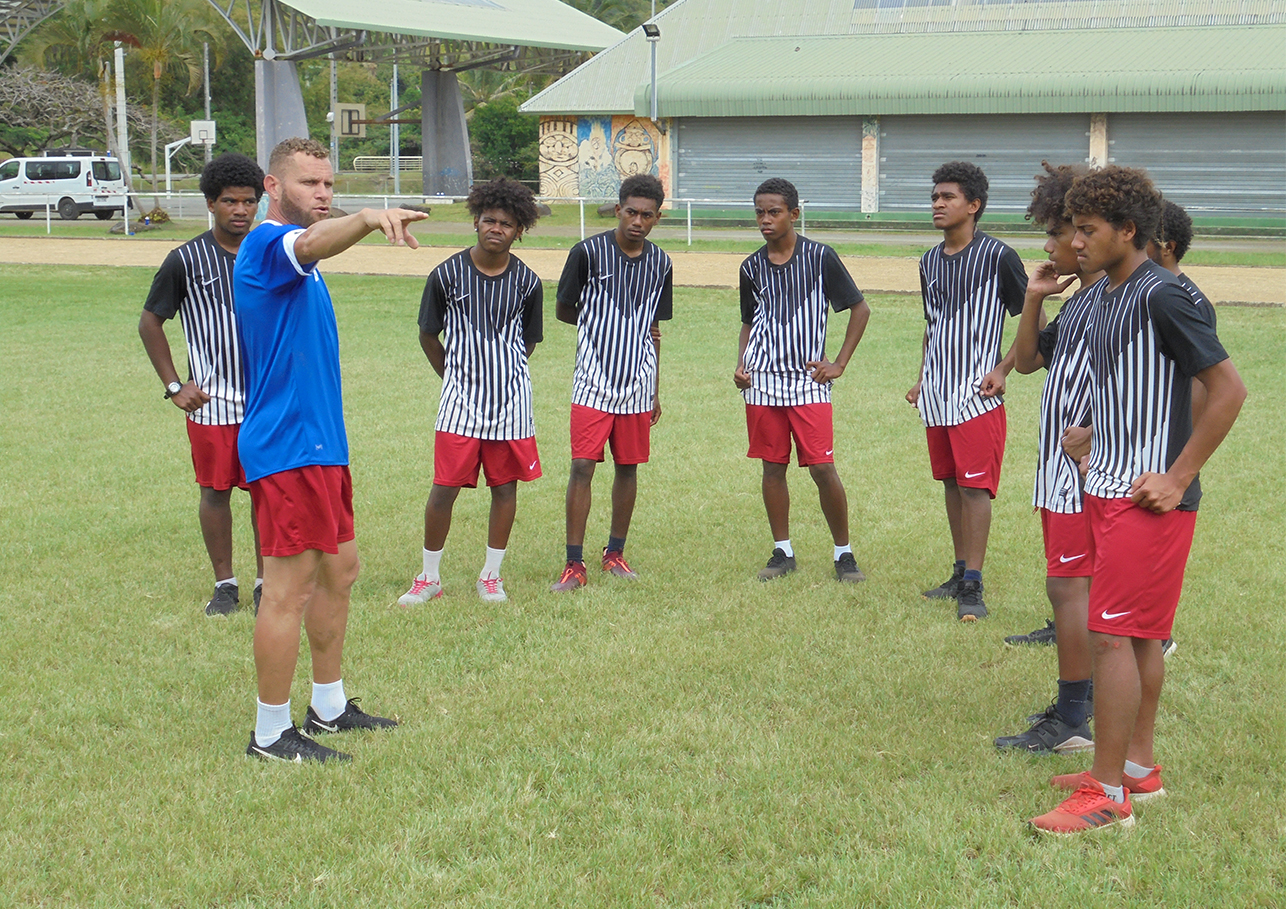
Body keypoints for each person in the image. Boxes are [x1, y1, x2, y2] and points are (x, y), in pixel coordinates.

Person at [1030, 166, 1245, 834]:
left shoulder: (1164, 295)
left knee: (1112, 634)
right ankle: (1136, 770)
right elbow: (1129, 382)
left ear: (1129, 230)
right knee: (1139, 632)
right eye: (1074, 228)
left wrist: (1178, 476)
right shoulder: (1099, 299)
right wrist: (1095, 433)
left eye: (1089, 229)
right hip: (1105, 483)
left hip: (1148, 500)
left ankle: (1106, 794)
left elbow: (1227, 388)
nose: (1077, 240)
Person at [235, 136, 423, 763]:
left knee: (340, 572)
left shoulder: (303, 268)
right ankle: (269, 733)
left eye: (329, 184)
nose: (321, 193)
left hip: (322, 449)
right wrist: (367, 219)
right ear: (273, 186)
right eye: (308, 184)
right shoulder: (268, 246)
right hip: (287, 451)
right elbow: (309, 244)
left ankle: (330, 706)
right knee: (285, 589)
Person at [994, 162, 1102, 754]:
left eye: (1059, 233)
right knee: (1073, 589)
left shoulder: (1118, 299)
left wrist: (1094, 439)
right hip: (1063, 472)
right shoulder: (1082, 302)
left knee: (1069, 589)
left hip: (1084, 473)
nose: (1052, 244)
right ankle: (1079, 708)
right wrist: (1034, 298)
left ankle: (1073, 719)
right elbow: (1031, 361)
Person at [398, 178, 543, 606]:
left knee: (505, 487)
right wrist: (455, 376)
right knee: (444, 487)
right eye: (489, 220)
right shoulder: (446, 275)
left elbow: (528, 341)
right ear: (476, 222)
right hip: (459, 404)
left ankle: (491, 576)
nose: (496, 229)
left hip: (512, 404)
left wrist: (503, 375)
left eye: (507, 223)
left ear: (520, 230)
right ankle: (429, 577)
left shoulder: (528, 282)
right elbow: (428, 334)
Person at [138, 153, 266, 617]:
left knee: (266, 492)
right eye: (229, 201)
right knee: (215, 492)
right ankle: (225, 585)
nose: (240, 210)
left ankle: (264, 582)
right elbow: (150, 321)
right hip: (212, 402)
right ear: (210, 203)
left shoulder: (270, 252)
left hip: (266, 400)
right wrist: (175, 386)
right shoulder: (185, 259)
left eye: (249, 201)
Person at [734, 177, 871, 583]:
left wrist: (839, 364)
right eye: (759, 211)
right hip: (762, 384)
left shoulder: (820, 257)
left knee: (822, 468)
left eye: (774, 211)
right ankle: (783, 551)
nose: (765, 219)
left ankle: (844, 553)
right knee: (772, 468)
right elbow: (748, 322)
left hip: (807, 382)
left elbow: (860, 310)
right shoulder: (751, 266)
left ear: (794, 214)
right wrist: (742, 365)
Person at [907, 161, 1027, 621]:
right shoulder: (928, 261)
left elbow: (1030, 319)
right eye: (935, 196)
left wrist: (1004, 368)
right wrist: (922, 377)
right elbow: (931, 326)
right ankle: (959, 570)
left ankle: (974, 584)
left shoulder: (999, 257)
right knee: (951, 483)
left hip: (977, 393)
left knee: (977, 489)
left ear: (974, 206)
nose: (937, 204)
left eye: (948, 197)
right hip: (937, 392)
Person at [550, 174, 673, 591]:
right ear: (618, 209)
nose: (637, 221)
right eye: (631, 212)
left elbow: (654, 326)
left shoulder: (661, 262)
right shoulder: (587, 253)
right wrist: (601, 332)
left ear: (658, 218)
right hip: (593, 379)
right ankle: (573, 563)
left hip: (637, 382)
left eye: (647, 215)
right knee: (582, 465)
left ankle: (615, 553)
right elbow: (565, 310)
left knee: (628, 466)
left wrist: (654, 386)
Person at [1148, 198, 1217, 429]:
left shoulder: (1191, 302)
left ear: (1168, 247)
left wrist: (1181, 452)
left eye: (1144, 241)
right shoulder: (1147, 292)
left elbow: (1201, 383)